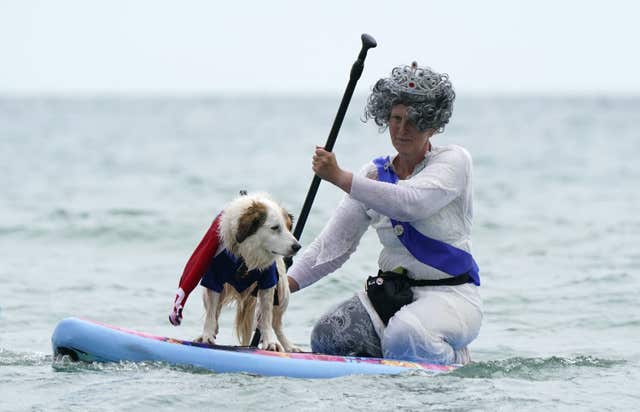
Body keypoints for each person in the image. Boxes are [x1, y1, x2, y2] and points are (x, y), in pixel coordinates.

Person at [286, 62, 482, 365]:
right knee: (327, 336)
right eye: (395, 118)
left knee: (405, 335)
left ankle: (450, 360)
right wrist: (283, 287)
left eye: (414, 121)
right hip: (392, 295)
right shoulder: (374, 175)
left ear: (432, 125)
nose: (402, 130)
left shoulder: (454, 162)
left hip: (451, 297)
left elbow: (410, 202)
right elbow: (334, 246)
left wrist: (340, 177)